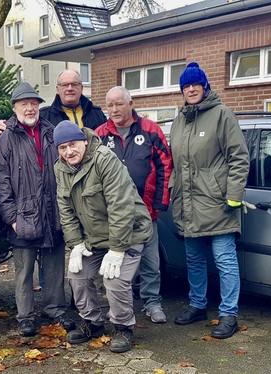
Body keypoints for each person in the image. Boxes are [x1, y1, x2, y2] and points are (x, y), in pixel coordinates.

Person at [53, 120, 153, 353]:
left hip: (129, 233)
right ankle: (93, 323)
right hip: (94, 238)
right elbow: (65, 208)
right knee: (77, 275)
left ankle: (122, 327)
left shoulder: (104, 159)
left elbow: (121, 205)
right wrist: (76, 244)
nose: (69, 151)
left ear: (84, 142)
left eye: (73, 144)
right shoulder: (61, 167)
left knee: (114, 280)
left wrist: (117, 250)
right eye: (63, 147)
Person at [169, 62, 249, 339]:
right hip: (189, 203)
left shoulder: (222, 115)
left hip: (218, 202)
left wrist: (234, 196)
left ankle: (229, 314)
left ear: (205, 87)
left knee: (225, 260)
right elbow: (176, 164)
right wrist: (172, 191)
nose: (191, 89)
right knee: (193, 259)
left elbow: (239, 158)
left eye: (196, 85)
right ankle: (198, 305)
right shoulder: (180, 119)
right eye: (186, 86)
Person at [0, 82, 76, 337]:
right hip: (22, 215)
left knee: (54, 266)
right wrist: (11, 218)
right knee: (24, 271)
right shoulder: (5, 139)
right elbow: (0, 182)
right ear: (14, 108)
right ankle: (25, 316)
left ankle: (56, 309)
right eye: (24, 104)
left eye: (34, 103)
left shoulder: (52, 132)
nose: (30, 108)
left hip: (52, 212)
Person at [94, 86, 173, 324]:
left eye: (119, 104)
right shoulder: (99, 134)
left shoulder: (151, 130)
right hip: (113, 216)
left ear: (131, 103)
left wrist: (160, 203)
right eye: (110, 105)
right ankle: (120, 306)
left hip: (146, 212)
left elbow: (165, 167)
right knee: (117, 265)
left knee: (150, 262)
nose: (114, 109)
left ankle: (152, 303)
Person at [0, 69, 107, 136]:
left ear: (81, 88)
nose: (70, 88)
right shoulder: (44, 116)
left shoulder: (96, 113)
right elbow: (23, 119)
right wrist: (2, 125)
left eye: (74, 84)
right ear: (58, 89)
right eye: (65, 85)